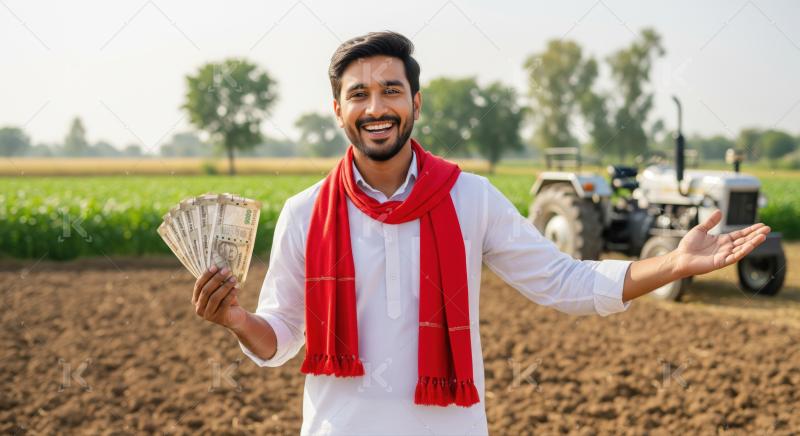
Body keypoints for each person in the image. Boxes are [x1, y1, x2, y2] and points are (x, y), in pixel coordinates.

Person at [190, 31, 771, 435]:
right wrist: (237, 321)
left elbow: (563, 281)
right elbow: (283, 336)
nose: (376, 106)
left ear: (415, 102)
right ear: (337, 110)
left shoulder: (469, 197)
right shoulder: (305, 211)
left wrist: (671, 264)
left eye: (391, 90)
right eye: (359, 94)